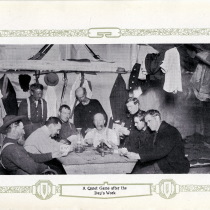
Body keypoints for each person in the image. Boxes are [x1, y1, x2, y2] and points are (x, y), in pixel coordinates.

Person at [123, 109, 190, 174]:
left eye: (149, 121)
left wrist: (138, 156)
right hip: (162, 165)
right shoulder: (156, 132)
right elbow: (146, 147)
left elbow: (159, 151)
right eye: (147, 122)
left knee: (135, 177)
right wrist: (128, 150)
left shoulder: (169, 131)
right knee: (134, 173)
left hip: (174, 168)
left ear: (157, 118)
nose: (148, 124)